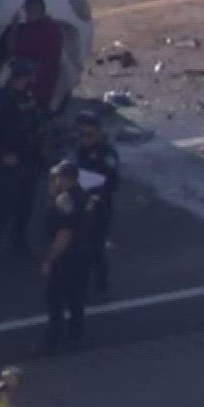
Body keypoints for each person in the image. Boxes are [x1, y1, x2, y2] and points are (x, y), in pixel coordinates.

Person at [0, 58, 45, 266]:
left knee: (26, 202)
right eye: (29, 75)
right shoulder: (2, 98)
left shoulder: (28, 96)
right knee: (2, 205)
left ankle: (19, 241)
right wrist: (3, 153)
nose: (33, 79)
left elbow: (35, 120)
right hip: (9, 157)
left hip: (28, 156)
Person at [41, 160, 92, 351]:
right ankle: (75, 338)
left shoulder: (64, 200)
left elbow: (65, 233)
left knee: (55, 299)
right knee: (76, 299)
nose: (54, 181)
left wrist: (50, 258)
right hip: (82, 253)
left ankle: (53, 342)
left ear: (65, 179)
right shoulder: (83, 195)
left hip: (67, 258)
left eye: (57, 177)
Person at [70, 113, 120, 299]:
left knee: (96, 247)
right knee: (78, 246)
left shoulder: (106, 155)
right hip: (82, 203)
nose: (85, 139)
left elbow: (110, 183)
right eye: (83, 135)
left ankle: (100, 284)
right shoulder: (81, 150)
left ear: (99, 135)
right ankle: (79, 282)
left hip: (99, 207)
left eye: (90, 135)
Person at [10, 0, 67, 114]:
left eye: (27, 12)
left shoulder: (33, 32)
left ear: (33, 11)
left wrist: (14, 26)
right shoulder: (54, 28)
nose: (25, 16)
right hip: (47, 84)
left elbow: (13, 48)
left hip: (33, 86)